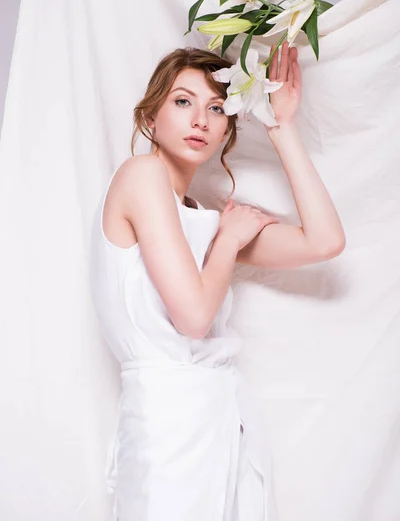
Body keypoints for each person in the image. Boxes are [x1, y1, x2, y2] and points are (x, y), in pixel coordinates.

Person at [89, 43, 346, 521]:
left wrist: (280, 127)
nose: (201, 121)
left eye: (216, 108)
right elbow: (192, 318)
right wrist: (227, 243)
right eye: (183, 102)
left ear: (228, 128)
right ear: (150, 119)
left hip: (218, 421)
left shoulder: (206, 224)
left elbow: (325, 241)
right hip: (166, 424)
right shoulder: (141, 176)